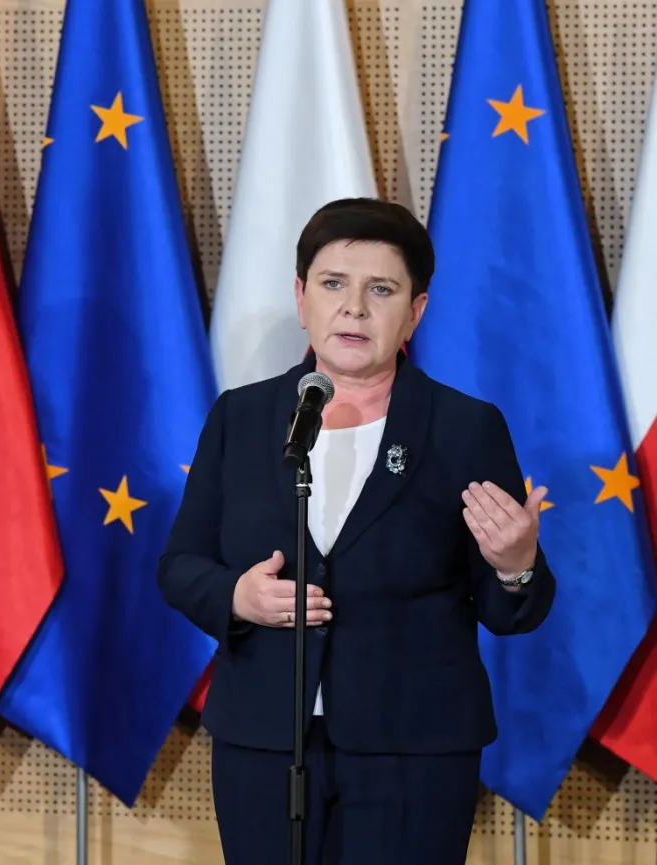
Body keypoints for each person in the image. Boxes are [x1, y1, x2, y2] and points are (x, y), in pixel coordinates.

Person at [158, 197, 556, 865]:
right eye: (333, 283)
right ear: (301, 297)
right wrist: (238, 597)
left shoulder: (466, 428)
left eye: (382, 289)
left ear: (416, 312)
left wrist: (515, 563)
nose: (354, 308)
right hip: (264, 739)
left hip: (413, 747)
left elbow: (509, 610)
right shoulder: (241, 418)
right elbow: (180, 564)